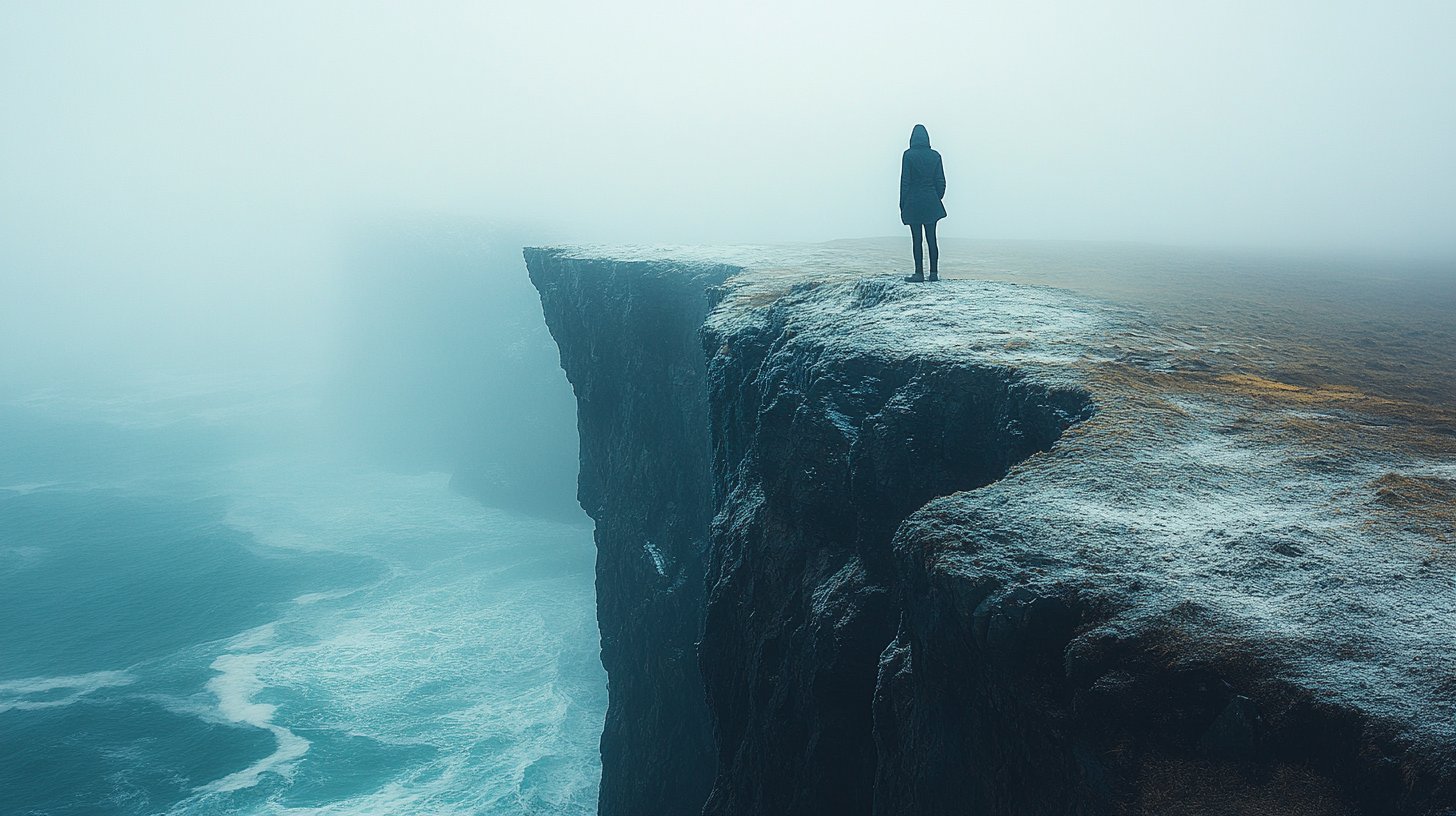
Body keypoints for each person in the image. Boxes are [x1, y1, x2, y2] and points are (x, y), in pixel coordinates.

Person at [899, 124, 946, 282]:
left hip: (913, 202)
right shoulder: (935, 156)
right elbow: (941, 182)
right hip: (931, 201)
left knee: (917, 239)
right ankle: (933, 273)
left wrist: (903, 204)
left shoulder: (908, 155)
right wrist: (935, 197)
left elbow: (905, 182)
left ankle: (918, 273)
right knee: (932, 239)